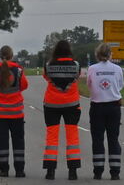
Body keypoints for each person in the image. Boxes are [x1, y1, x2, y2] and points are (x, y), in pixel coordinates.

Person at [42, 39, 82, 180]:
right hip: (71, 105)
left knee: (52, 137)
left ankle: (50, 171)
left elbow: (46, 77)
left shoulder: (48, 65)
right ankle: (73, 171)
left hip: (52, 104)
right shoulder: (76, 65)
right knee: (72, 137)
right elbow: (77, 78)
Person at [86, 43, 124, 180]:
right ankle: (115, 172)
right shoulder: (117, 69)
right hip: (114, 107)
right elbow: (120, 85)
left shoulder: (92, 69)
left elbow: (89, 85)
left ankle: (98, 171)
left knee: (97, 140)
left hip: (97, 107)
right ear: (110, 54)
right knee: (113, 139)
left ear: (97, 55)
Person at [0, 45, 29, 178]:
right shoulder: (18, 70)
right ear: (12, 56)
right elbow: (24, 85)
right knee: (18, 141)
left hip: (0, 113)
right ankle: (19, 170)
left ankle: (3, 170)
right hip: (16, 112)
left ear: (0, 56)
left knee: (2, 142)